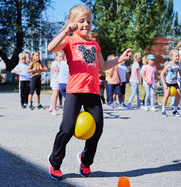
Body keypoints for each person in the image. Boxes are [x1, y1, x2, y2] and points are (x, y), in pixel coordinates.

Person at [47, 4, 132, 180]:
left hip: (93, 92)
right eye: (81, 21)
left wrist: (119, 59)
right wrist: (65, 31)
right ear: (72, 23)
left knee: (98, 129)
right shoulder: (69, 40)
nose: (86, 24)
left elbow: (103, 66)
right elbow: (51, 48)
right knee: (67, 128)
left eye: (89, 21)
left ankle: (85, 161)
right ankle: (55, 162)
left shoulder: (94, 44)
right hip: (74, 91)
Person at [160, 49, 181, 117]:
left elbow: (180, 73)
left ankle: (175, 110)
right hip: (168, 82)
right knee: (166, 95)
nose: (177, 57)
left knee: (178, 94)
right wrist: (164, 84)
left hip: (175, 82)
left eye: (178, 56)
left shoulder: (179, 65)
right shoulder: (168, 65)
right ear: (171, 57)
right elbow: (162, 74)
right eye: (176, 56)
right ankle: (163, 110)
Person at [49, 51, 64, 115]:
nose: (61, 58)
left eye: (63, 57)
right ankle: (54, 109)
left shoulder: (64, 63)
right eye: (60, 57)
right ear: (56, 57)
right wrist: (58, 70)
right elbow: (55, 69)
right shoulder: (54, 63)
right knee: (56, 94)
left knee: (64, 95)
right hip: (55, 81)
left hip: (62, 81)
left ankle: (66, 108)